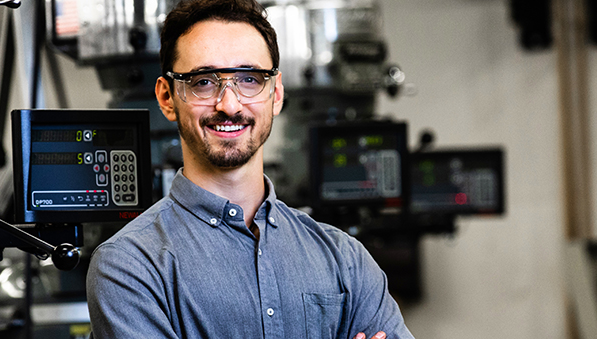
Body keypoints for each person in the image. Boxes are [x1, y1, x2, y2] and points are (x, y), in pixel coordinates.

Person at [85, 0, 413, 338]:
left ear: (276, 93)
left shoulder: (345, 259)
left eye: (249, 79)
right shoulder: (129, 267)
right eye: (203, 82)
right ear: (167, 97)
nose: (229, 104)